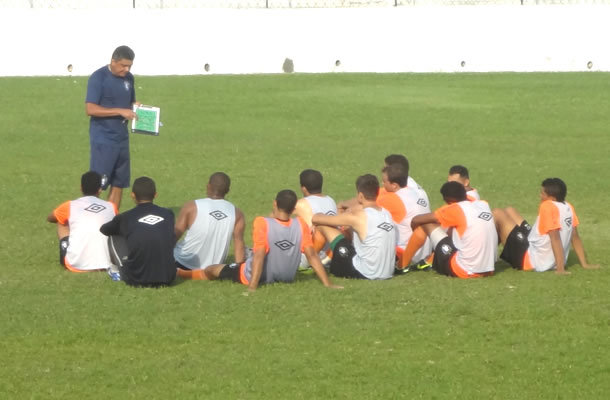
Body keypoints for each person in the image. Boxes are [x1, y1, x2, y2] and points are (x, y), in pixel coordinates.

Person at [180, 190, 341, 292]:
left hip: (254, 275)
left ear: (275, 203)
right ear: (293, 209)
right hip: (287, 276)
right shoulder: (300, 224)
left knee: (212, 269)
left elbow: (259, 255)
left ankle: (182, 273)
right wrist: (327, 284)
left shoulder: (262, 222)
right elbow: (312, 255)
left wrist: (252, 286)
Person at [492, 178, 598, 274]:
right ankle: (489, 259)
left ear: (551, 197)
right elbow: (575, 237)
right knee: (510, 210)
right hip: (537, 252)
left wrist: (560, 269)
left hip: (530, 260)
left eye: (542, 193)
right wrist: (585, 264)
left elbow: (555, 238)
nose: (540, 196)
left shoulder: (547, 207)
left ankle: (486, 262)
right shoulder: (568, 206)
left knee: (497, 213)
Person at [312, 174, 396, 280]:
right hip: (387, 272)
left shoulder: (358, 216)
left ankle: (310, 262)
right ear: (377, 192)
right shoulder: (386, 214)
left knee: (322, 226)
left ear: (360, 195)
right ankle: (324, 259)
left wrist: (321, 214)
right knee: (348, 230)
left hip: (365, 272)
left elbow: (317, 219)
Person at [86, 45, 139, 210]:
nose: (126, 69)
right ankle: (90, 216)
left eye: (129, 66)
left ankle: (111, 221)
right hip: (104, 139)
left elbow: (129, 103)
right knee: (98, 185)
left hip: (121, 138)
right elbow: (90, 109)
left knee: (119, 183)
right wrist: (119, 111)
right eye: (123, 65)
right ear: (113, 61)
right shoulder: (98, 78)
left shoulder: (129, 78)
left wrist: (136, 107)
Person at [100, 176, 176, 287]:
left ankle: (118, 270)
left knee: (112, 235)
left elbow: (104, 229)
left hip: (136, 278)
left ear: (133, 195)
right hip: (168, 277)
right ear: (155, 194)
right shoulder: (168, 214)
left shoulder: (125, 217)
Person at [411, 181, 497, 278]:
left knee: (428, 225)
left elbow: (416, 220)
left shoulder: (455, 209)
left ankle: (403, 265)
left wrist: (417, 232)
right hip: (489, 270)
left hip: (465, 270)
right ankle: (430, 258)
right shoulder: (483, 204)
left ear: (448, 201)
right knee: (454, 231)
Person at [174, 172, 246, 274]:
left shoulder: (192, 206)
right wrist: (239, 270)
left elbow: (173, 237)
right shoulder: (237, 213)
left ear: (208, 186)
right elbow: (239, 244)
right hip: (213, 268)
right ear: (227, 191)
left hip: (181, 262)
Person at [47, 171, 117, 274]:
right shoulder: (111, 206)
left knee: (61, 221)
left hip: (76, 265)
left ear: (81, 188)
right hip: (106, 264)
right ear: (100, 189)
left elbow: (50, 218)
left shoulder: (70, 205)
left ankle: (67, 249)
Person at [378, 163, 433, 272]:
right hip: (425, 251)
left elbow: (365, 204)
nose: (382, 184)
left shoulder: (393, 198)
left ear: (394, 185)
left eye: (384, 182)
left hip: (405, 253)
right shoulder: (419, 192)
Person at [292, 169, 337, 264]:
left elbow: (280, 216)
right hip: (330, 253)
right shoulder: (331, 200)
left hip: (311, 255)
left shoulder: (301, 204)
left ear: (303, 188)